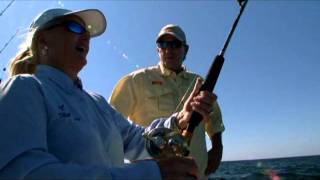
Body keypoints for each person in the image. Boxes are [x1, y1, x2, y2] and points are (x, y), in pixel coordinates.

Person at [0, 9, 217, 179]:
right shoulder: (23, 88)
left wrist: (181, 119)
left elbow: (138, 141)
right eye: (75, 28)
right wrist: (152, 175)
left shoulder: (96, 102)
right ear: (43, 40)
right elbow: (23, 173)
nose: (85, 36)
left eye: (87, 32)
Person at [109, 24, 225, 177]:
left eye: (175, 44)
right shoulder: (135, 81)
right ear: (158, 50)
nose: (168, 49)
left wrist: (217, 149)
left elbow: (214, 121)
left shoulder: (200, 83)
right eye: (163, 44)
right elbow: (109, 126)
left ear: (186, 50)